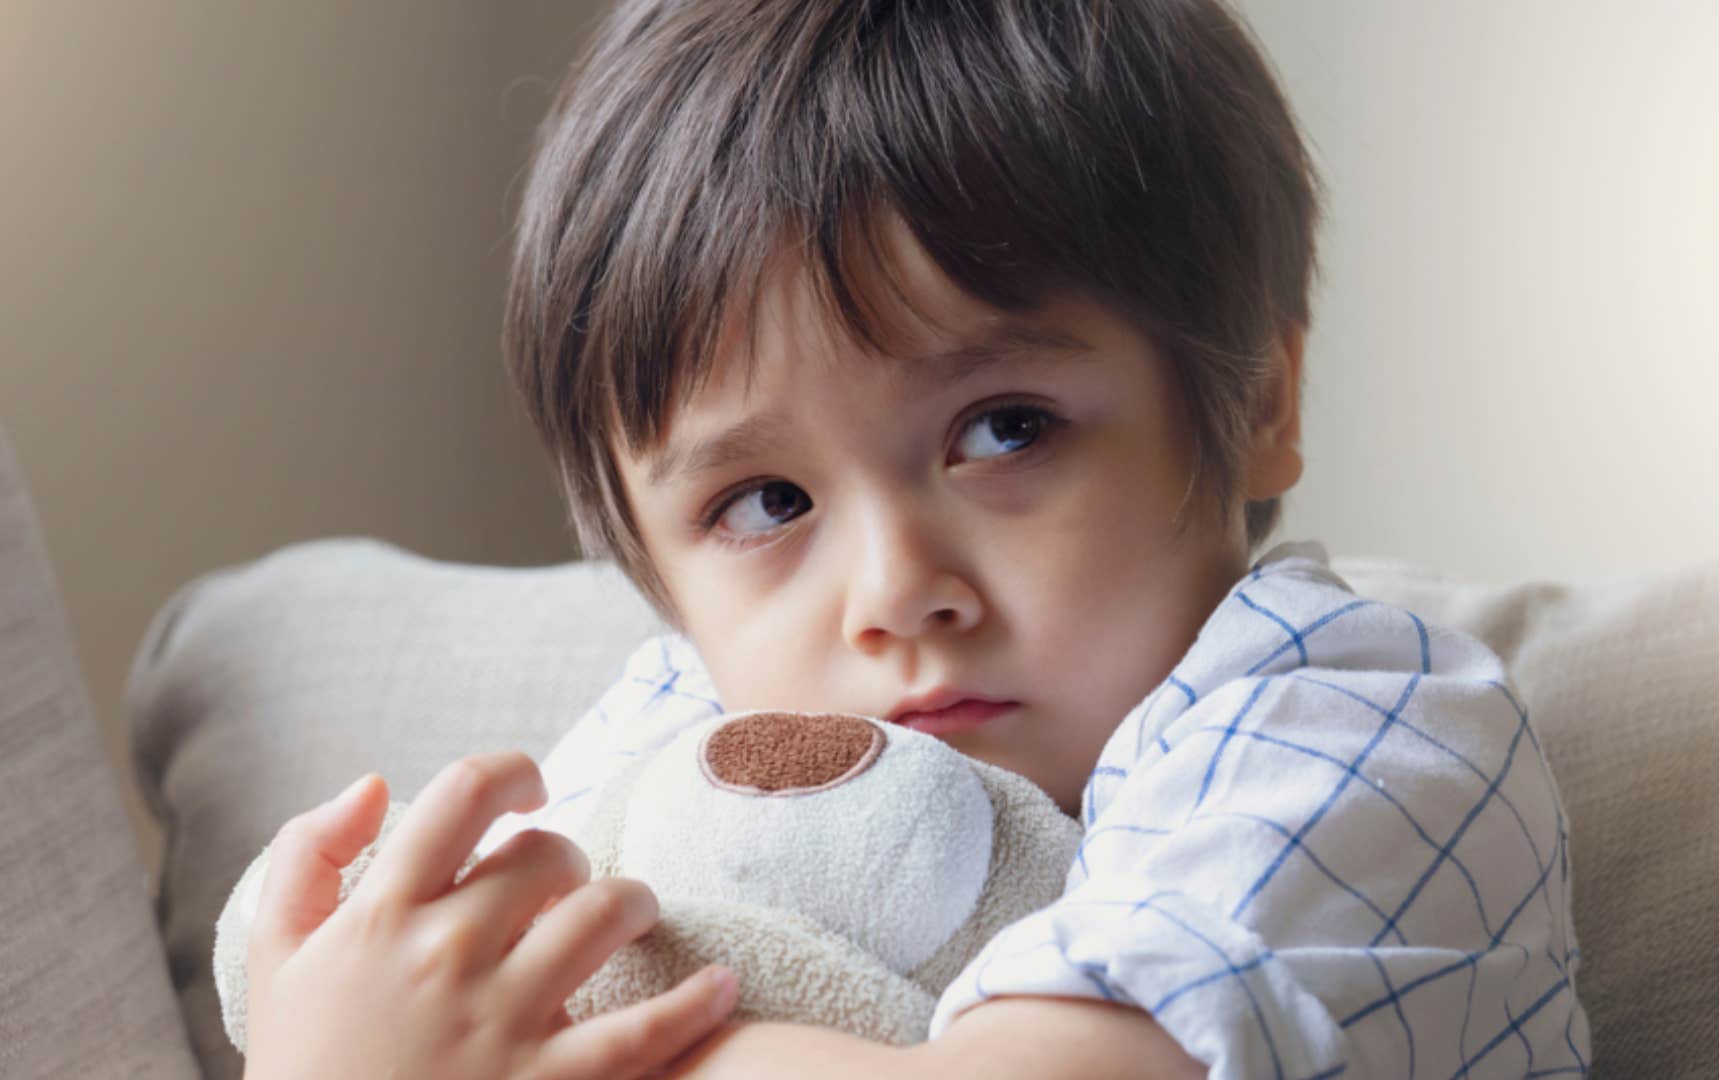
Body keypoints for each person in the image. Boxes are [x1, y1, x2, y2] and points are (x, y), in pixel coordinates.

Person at [240, 0, 1590, 1076]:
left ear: (1255, 403)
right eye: (766, 504)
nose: (892, 594)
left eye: (1005, 429)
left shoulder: (1359, 736)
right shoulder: (692, 728)